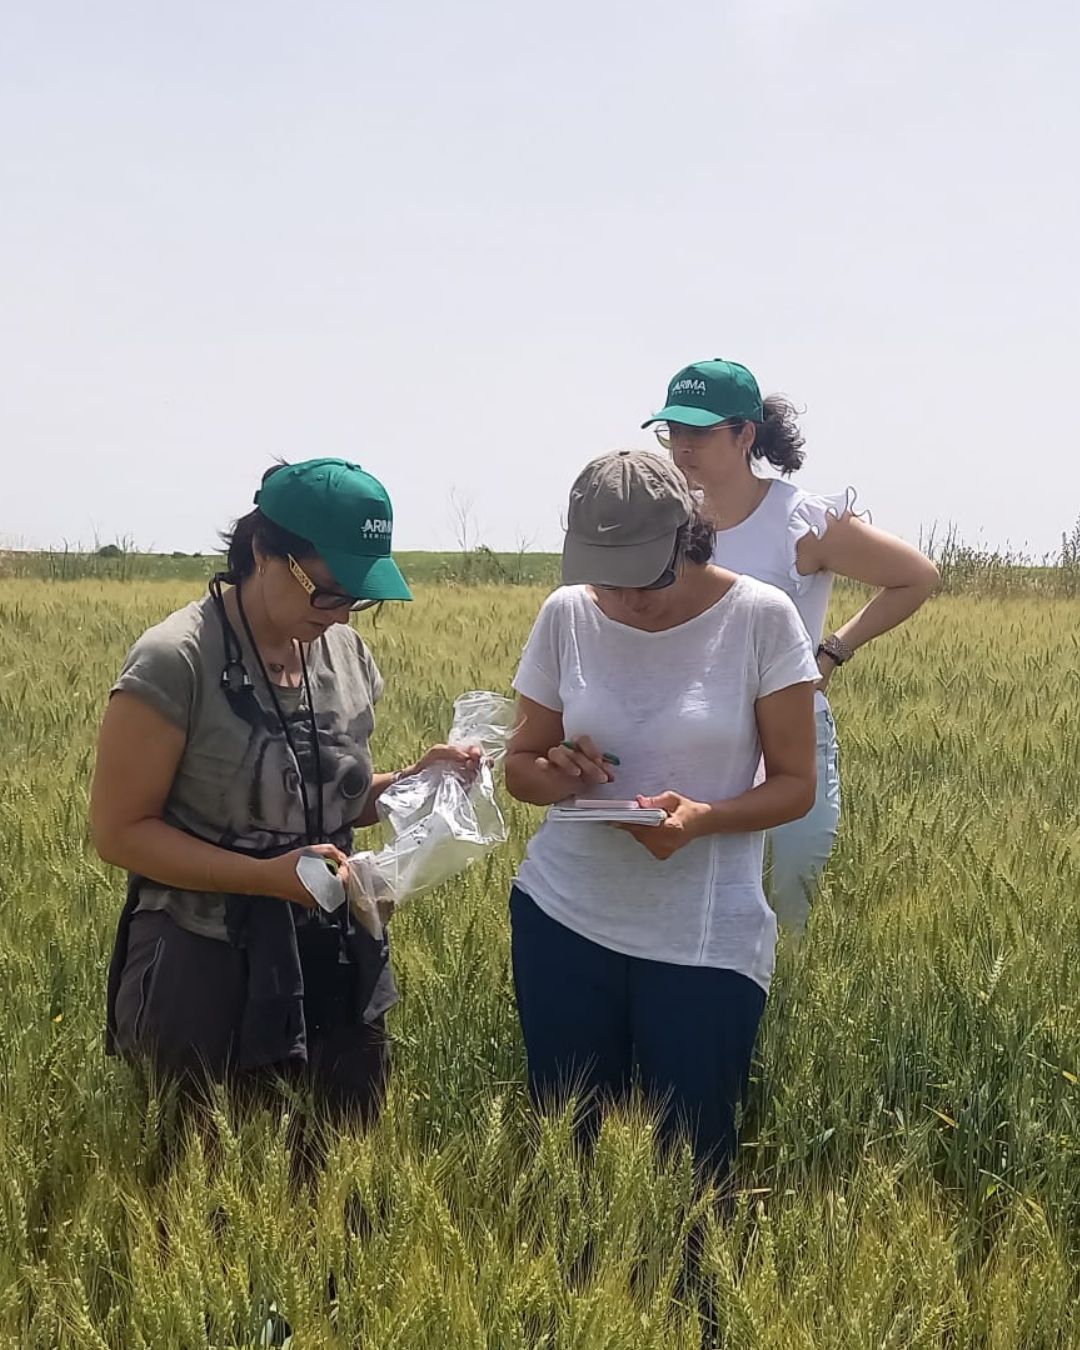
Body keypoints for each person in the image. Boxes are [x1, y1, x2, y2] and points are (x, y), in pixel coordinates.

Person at [93, 457, 477, 1120]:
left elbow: (331, 800)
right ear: (264, 552)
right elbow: (119, 831)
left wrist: (417, 779)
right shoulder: (177, 658)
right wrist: (262, 877)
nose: (340, 614)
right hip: (204, 958)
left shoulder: (346, 653)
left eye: (358, 598)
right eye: (327, 591)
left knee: (331, 1171)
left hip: (333, 951)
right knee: (199, 1180)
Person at [504, 450, 819, 1172]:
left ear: (688, 534)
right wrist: (559, 775)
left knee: (695, 1170)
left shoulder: (761, 619)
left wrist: (703, 817)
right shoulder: (566, 615)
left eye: (643, 575)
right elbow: (520, 768)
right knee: (571, 1162)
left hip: (704, 940)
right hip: (563, 919)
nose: (626, 597)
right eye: (605, 577)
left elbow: (797, 782)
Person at [643, 360, 939, 933]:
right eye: (672, 432)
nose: (682, 448)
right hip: (694, 738)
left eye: (698, 433)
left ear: (745, 434)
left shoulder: (799, 521)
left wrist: (831, 653)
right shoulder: (666, 521)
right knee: (698, 908)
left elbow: (916, 576)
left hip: (790, 739)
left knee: (790, 905)